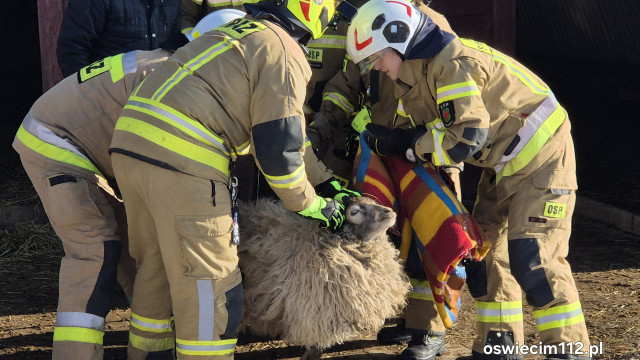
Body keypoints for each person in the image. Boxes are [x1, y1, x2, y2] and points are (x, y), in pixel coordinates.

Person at [108, 0, 360, 357]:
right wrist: (313, 204)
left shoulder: (231, 33)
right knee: (212, 286)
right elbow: (277, 151)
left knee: (157, 267)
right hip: (184, 161)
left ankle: (147, 354)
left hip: (131, 149)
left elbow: (275, 131)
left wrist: (321, 179)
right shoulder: (283, 51)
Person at [346, 0, 591, 359]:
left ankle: (569, 351)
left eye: (377, 57)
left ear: (398, 39)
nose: (377, 67)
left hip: (543, 161)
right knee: (486, 258)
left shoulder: (452, 63)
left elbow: (466, 138)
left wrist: (411, 146)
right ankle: (499, 348)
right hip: (503, 166)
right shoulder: (418, 73)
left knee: (533, 257)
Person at [13, 11, 244, 360]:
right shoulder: (171, 79)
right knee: (96, 248)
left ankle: (152, 344)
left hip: (78, 142)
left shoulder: (165, 65)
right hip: (55, 142)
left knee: (139, 247)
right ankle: (74, 354)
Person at [307, 3, 463, 360]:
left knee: (427, 236)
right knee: (389, 238)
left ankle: (429, 331)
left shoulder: (429, 26)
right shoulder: (373, 21)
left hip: (427, 153)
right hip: (383, 150)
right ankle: (407, 316)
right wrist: (322, 128)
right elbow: (344, 85)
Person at [57, 0, 182, 77]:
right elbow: (71, 50)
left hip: (152, 97)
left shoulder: (172, 2)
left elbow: (174, 48)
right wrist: (89, 96)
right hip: (107, 98)